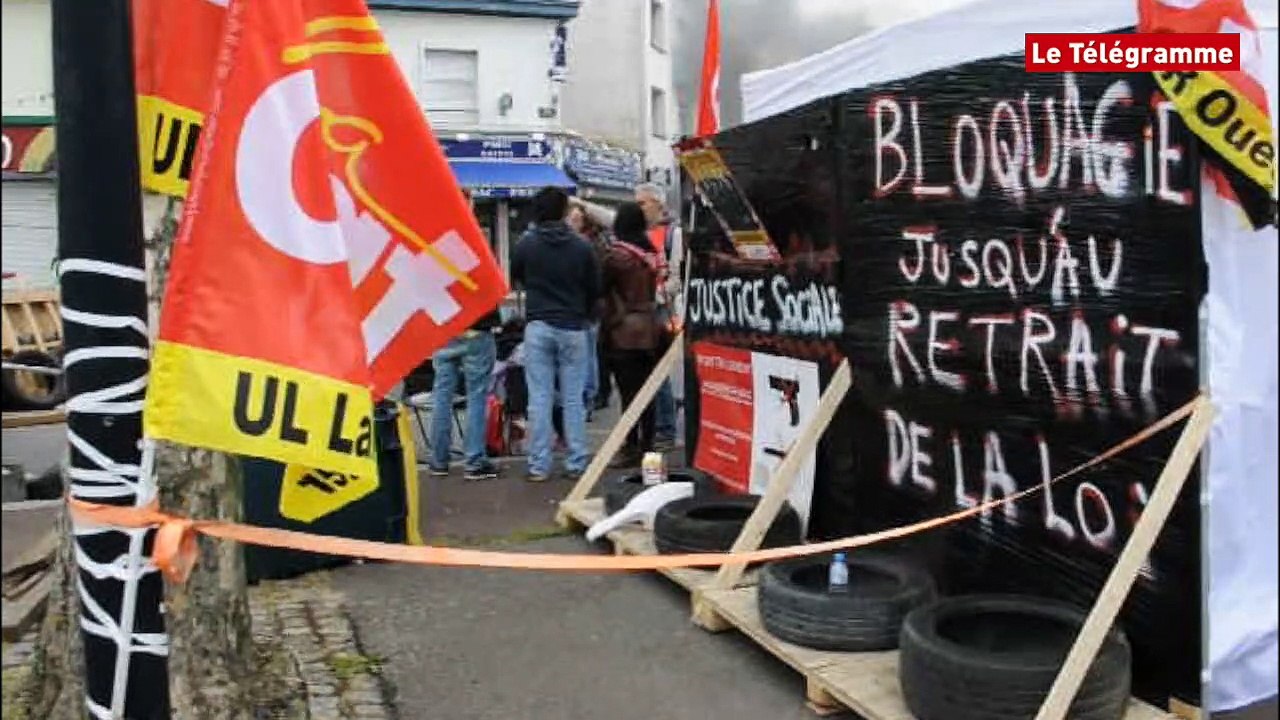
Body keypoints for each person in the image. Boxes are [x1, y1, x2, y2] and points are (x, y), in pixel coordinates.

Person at [511, 187, 601, 482]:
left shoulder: (526, 244)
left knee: (539, 397)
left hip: (539, 325)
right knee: (573, 398)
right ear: (564, 211)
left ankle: (539, 465)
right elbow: (593, 288)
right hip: (574, 326)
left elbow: (518, 276)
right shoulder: (581, 246)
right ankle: (576, 462)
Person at [427, 188, 502, 481]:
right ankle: (474, 460)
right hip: (476, 329)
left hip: (445, 328)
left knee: (442, 395)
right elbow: (490, 283)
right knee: (476, 395)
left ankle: (438, 460)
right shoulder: (474, 240)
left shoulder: (432, 239)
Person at [600, 202, 668, 468]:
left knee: (628, 394)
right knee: (647, 392)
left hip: (624, 332)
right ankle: (648, 447)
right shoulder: (650, 253)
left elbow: (600, 290)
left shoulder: (616, 256)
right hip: (651, 327)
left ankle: (630, 446)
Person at [635, 182, 683, 449]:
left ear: (657, 204)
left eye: (643, 203)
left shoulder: (671, 235)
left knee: (659, 371)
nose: (639, 208)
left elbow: (677, 279)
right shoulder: (636, 233)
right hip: (639, 310)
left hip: (660, 308)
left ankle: (666, 428)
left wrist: (654, 294)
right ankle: (652, 427)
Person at [567, 199, 613, 415]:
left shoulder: (590, 244)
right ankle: (589, 396)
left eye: (576, 219)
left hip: (587, 307)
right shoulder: (591, 243)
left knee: (588, 354)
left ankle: (589, 396)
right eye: (570, 218)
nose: (572, 222)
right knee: (588, 354)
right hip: (585, 306)